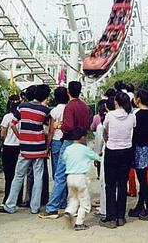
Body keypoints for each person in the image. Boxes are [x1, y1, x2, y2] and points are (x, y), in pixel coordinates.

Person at [41, 81, 90, 219]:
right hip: (82, 142)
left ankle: (52, 208)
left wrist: (59, 126)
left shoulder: (70, 107)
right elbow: (87, 124)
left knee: (60, 175)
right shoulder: (84, 107)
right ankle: (78, 206)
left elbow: (68, 127)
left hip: (69, 142)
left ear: (69, 91)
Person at [0, 84, 51, 215]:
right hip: (39, 147)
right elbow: (48, 128)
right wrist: (47, 146)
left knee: (18, 176)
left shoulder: (22, 107)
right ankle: (35, 207)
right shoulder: (45, 110)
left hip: (25, 148)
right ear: (45, 97)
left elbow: (12, 124)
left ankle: (10, 205)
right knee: (38, 176)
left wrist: (20, 137)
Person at [100, 91, 136, 228]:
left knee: (110, 185)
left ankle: (111, 217)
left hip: (112, 150)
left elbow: (105, 131)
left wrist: (108, 140)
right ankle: (121, 216)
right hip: (126, 150)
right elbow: (133, 129)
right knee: (122, 183)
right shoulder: (132, 117)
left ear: (117, 102)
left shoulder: (109, 115)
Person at [63, 127, 100, 231]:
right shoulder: (85, 149)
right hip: (81, 177)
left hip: (70, 177)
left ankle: (69, 211)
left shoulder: (68, 149)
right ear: (83, 137)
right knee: (85, 202)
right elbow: (96, 157)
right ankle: (79, 223)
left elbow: (64, 159)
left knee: (73, 198)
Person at [129, 88, 148, 220]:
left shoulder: (137, 114)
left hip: (138, 148)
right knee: (142, 179)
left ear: (138, 99)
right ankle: (140, 206)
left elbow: (133, 135)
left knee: (142, 180)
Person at [0, 95, 22, 206]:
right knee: (19, 174)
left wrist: (5, 140)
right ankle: (18, 199)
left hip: (8, 147)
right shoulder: (22, 117)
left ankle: (8, 198)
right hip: (20, 147)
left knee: (9, 175)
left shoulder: (7, 117)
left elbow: (2, 134)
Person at [48, 87, 69, 183]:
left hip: (56, 140)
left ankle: (59, 194)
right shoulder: (69, 109)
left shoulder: (54, 111)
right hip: (67, 141)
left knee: (57, 170)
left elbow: (51, 130)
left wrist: (47, 145)